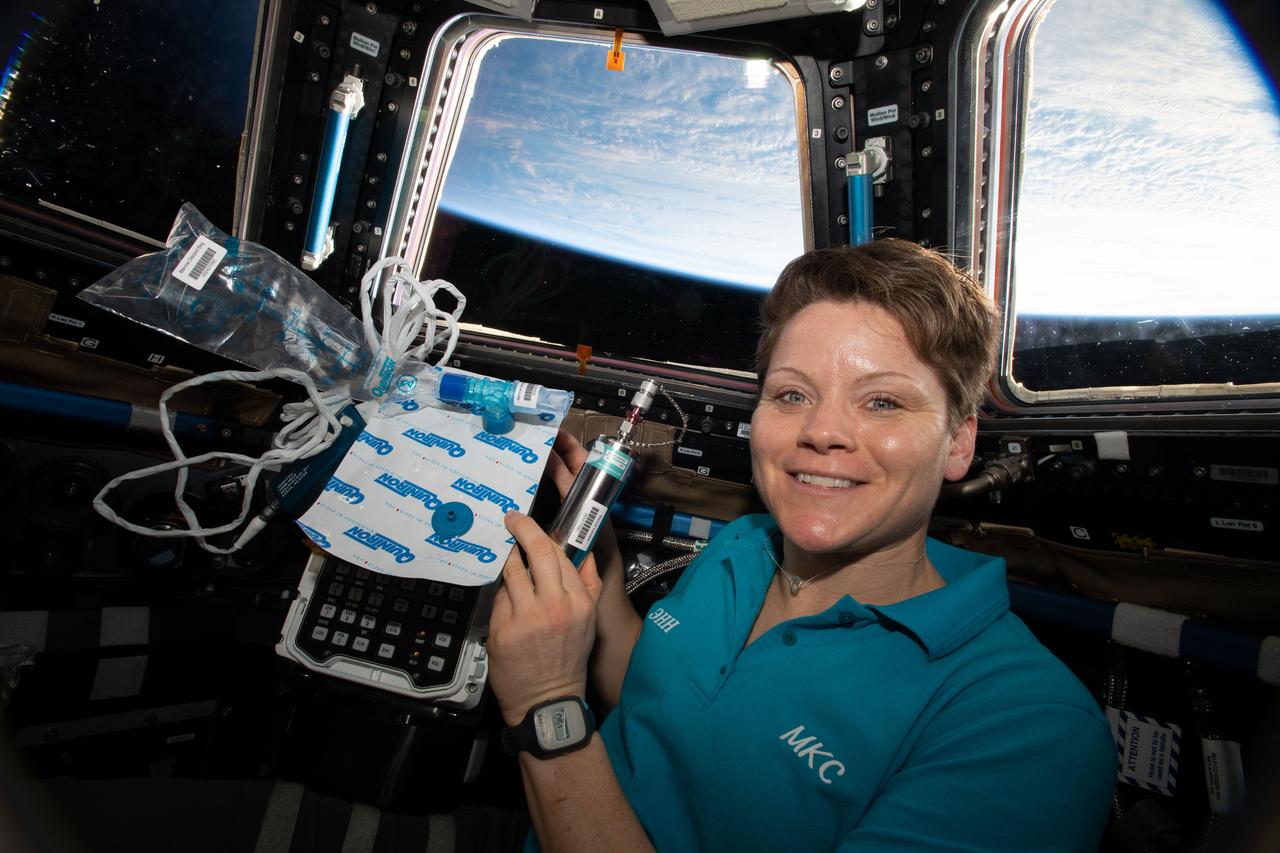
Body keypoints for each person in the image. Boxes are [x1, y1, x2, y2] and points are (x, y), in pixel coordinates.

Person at [487, 238, 1117, 852]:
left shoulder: (1028, 729)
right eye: (793, 394)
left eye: (882, 402)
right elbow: (650, 695)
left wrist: (546, 708)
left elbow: (556, 709)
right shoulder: (743, 545)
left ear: (958, 443)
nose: (821, 430)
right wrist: (594, 556)